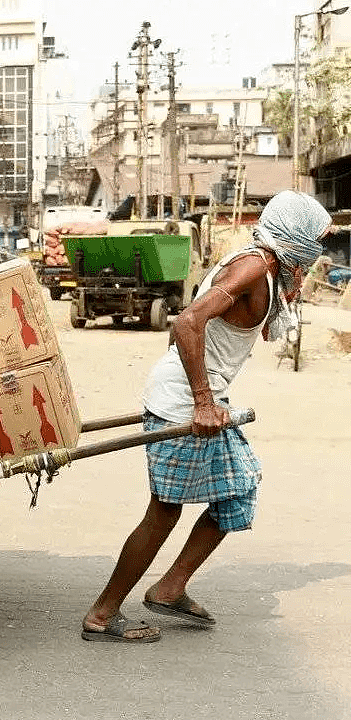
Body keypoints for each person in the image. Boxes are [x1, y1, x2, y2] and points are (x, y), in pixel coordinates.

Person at [78, 191, 332, 643]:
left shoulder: (265, 267)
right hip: (186, 401)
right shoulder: (254, 267)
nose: (317, 251)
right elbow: (187, 322)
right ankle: (103, 613)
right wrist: (200, 401)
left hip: (196, 395)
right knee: (164, 511)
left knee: (238, 492)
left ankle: (170, 588)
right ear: (295, 236)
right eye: (313, 240)